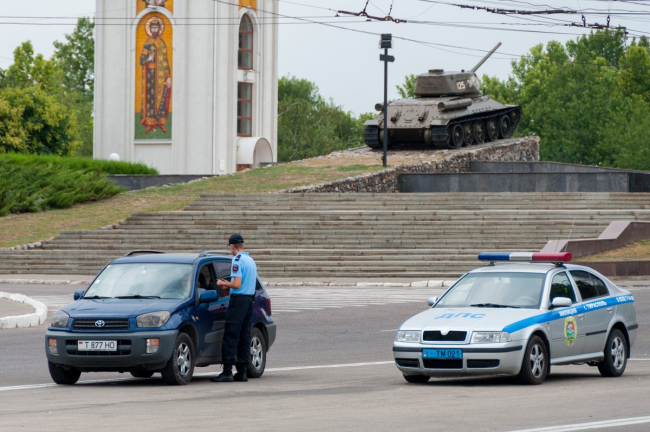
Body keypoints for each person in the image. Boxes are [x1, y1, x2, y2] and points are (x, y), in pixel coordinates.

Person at [211, 234, 258, 383]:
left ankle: (227, 372)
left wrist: (223, 283)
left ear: (232, 246)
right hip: (249, 300)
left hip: (238, 301)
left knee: (231, 335)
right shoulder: (250, 260)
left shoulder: (237, 260)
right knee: (244, 335)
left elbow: (237, 284)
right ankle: (242, 372)